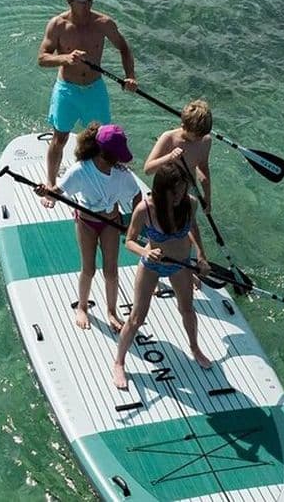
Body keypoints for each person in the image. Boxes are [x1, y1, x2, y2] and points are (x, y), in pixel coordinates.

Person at [37, 0, 138, 207]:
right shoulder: (57, 25)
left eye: (90, 0)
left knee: (105, 142)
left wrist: (130, 76)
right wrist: (65, 58)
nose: (87, 6)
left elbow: (124, 48)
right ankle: (51, 186)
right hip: (67, 91)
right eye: (82, 1)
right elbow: (42, 58)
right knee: (59, 138)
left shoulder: (104, 23)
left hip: (95, 90)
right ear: (69, 1)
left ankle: (112, 184)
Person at [112, 164, 212, 390]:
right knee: (137, 317)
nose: (179, 196)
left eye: (182, 190)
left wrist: (202, 256)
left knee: (187, 309)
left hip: (180, 266)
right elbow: (129, 240)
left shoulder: (190, 204)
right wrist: (145, 251)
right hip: (152, 266)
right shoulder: (144, 209)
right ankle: (119, 362)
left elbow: (192, 228)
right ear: (162, 190)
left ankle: (194, 347)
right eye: (174, 192)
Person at [34, 123, 141, 333]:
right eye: (117, 156)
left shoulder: (121, 173)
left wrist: (134, 224)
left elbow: (137, 195)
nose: (120, 161)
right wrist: (44, 191)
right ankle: (82, 307)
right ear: (104, 153)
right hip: (86, 223)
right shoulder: (80, 171)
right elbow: (56, 192)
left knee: (111, 271)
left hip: (112, 221)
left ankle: (111, 311)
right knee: (88, 269)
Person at [143, 99, 213, 213]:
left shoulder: (206, 140)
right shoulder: (168, 138)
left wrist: (207, 197)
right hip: (166, 190)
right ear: (183, 126)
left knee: (188, 225)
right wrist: (169, 157)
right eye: (196, 136)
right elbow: (147, 170)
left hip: (186, 190)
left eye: (203, 135)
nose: (200, 139)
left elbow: (204, 167)